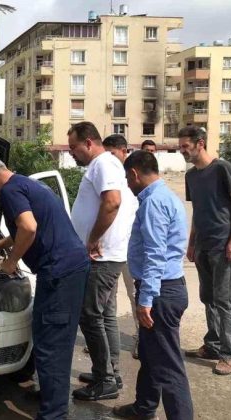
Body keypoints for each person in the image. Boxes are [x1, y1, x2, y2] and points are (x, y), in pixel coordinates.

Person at [0, 153, 89, 420]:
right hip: (67, 268)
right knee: (44, 332)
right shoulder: (25, 183)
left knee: (53, 343)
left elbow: (29, 226)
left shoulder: (10, 191)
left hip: (60, 273)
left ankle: (54, 413)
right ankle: (51, 394)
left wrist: (11, 261)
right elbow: (22, 229)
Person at [112, 151, 194, 420]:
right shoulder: (165, 196)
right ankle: (144, 408)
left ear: (134, 173)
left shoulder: (154, 202)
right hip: (165, 288)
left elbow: (155, 254)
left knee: (169, 367)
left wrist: (145, 299)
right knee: (150, 355)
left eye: (127, 177)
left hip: (160, 292)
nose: (127, 183)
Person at [68, 122, 138, 401]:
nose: (72, 153)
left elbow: (112, 202)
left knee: (90, 315)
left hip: (102, 256)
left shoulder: (102, 164)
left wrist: (93, 238)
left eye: (74, 147)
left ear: (88, 143)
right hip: (106, 254)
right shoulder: (104, 165)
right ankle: (107, 373)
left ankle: (105, 379)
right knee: (103, 315)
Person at [179, 126, 231, 376]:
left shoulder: (222, 169)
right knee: (208, 297)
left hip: (223, 246)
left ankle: (229, 354)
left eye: (185, 146)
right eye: (181, 146)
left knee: (224, 300)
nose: (182, 150)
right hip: (203, 246)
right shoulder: (191, 176)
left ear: (200, 143)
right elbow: (199, 210)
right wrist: (192, 243)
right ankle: (213, 345)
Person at [103, 134, 141, 360]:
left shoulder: (134, 180)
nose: (109, 159)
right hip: (110, 250)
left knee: (135, 295)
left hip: (131, 250)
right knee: (109, 299)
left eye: (113, 154)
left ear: (124, 151)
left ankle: (141, 339)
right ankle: (108, 341)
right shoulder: (107, 178)